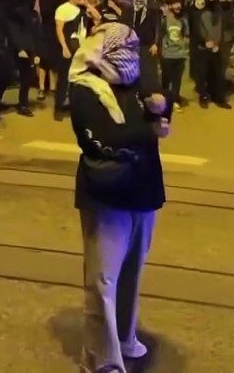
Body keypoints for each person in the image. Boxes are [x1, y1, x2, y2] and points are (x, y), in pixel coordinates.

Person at [69, 22, 170, 373]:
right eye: (120, 50)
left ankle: (125, 338)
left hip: (142, 189)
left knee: (131, 271)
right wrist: (149, 129)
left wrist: (161, 105)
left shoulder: (135, 74)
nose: (129, 58)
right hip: (107, 193)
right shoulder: (85, 86)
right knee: (103, 280)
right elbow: (103, 137)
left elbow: (157, 94)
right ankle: (101, 361)